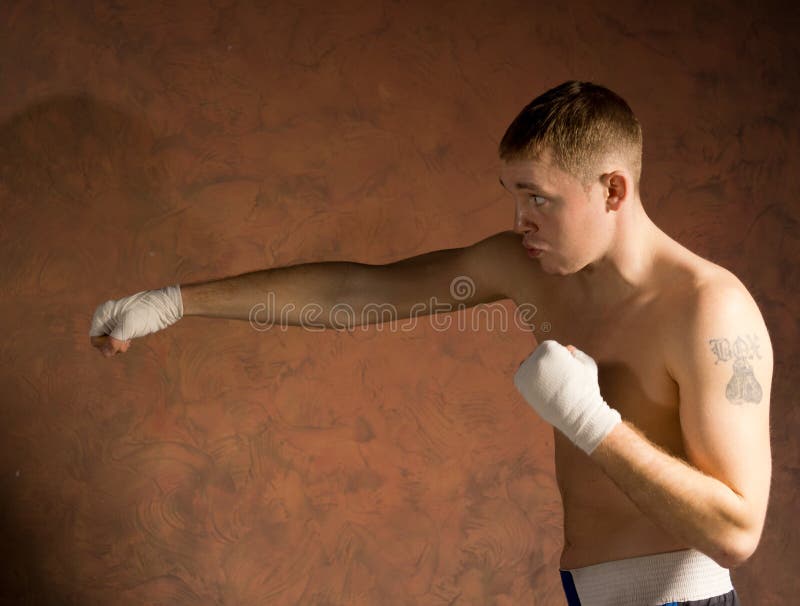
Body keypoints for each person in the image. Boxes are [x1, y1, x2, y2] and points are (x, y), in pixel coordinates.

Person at [89, 81, 771, 605]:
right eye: (512, 196)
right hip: (582, 590)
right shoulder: (530, 269)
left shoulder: (710, 310)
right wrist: (178, 303)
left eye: (538, 198)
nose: (519, 220)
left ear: (613, 190)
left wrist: (593, 424)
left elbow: (736, 533)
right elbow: (358, 294)